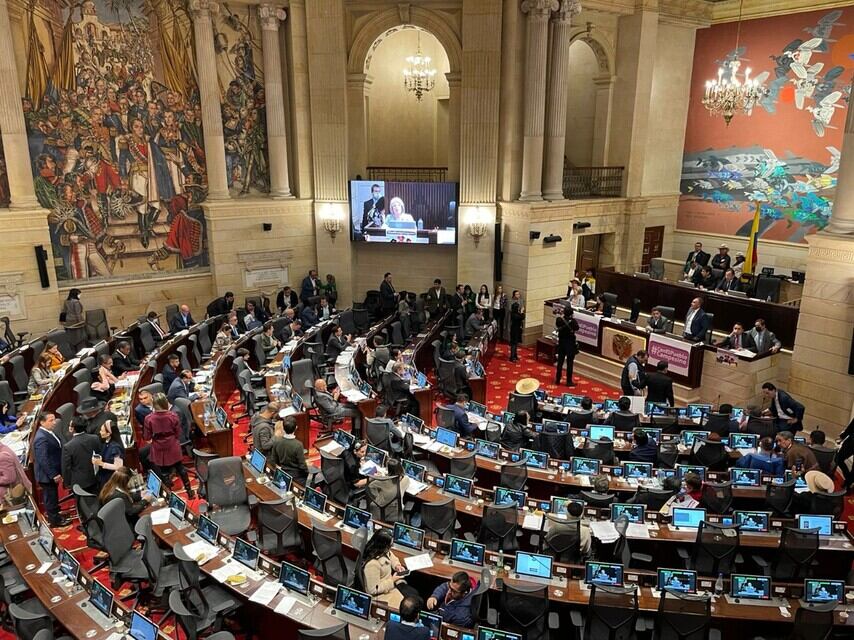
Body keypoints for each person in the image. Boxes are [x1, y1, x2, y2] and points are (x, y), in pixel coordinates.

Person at [143, 393, 195, 498]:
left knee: (164, 472)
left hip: (158, 447)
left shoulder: (149, 419)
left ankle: (169, 496)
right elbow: (178, 432)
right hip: (173, 445)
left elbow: (147, 437)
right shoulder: (173, 415)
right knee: (180, 468)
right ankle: (189, 491)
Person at [361, 529, 417, 608]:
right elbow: (373, 590)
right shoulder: (372, 565)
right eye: (390, 546)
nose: (391, 547)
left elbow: (391, 556)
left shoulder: (382, 550)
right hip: (382, 594)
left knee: (415, 596)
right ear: (383, 545)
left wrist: (397, 566)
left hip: (391, 583)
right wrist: (392, 580)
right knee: (409, 605)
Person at [33, 413, 67, 526]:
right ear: (42, 422)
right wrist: (53, 474)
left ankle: (56, 514)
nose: (54, 422)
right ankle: (55, 521)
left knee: (53, 496)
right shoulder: (41, 437)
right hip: (47, 475)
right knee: (50, 498)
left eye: (54, 419)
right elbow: (43, 459)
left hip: (53, 471)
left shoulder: (48, 432)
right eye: (51, 420)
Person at [62, 417, 103, 494]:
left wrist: (67, 483)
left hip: (79, 483)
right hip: (95, 478)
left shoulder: (68, 446)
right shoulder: (95, 438)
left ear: (72, 428)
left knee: (82, 504)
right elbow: (99, 455)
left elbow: (66, 468)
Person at [269, 416, 308, 484]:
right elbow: (302, 466)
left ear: (283, 428)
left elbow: (274, 459)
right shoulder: (298, 445)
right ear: (296, 428)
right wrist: (308, 474)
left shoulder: (277, 441)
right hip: (297, 476)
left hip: (283, 472)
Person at [94, 419, 125, 488]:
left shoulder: (115, 448)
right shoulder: (107, 442)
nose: (100, 432)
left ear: (108, 434)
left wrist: (101, 463)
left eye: (102, 431)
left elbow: (119, 467)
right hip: (105, 475)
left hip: (111, 479)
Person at [555, 307, 579, 387]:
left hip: (561, 344)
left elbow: (557, 324)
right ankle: (569, 381)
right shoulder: (573, 321)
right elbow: (577, 328)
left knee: (560, 363)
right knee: (569, 363)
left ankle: (557, 379)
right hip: (570, 344)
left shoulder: (560, 320)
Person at [60, 288, 86, 352]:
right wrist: (82, 323)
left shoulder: (66, 301)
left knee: (71, 340)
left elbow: (63, 311)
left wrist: (62, 322)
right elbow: (78, 314)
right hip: (77, 324)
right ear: (75, 294)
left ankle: (73, 353)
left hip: (68, 324)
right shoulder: (76, 302)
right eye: (79, 294)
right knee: (80, 341)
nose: (80, 295)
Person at [509, 291, 524, 362]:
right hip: (515, 329)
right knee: (514, 343)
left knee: (516, 343)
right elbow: (522, 316)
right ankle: (512, 357)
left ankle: (515, 355)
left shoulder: (515, 314)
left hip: (517, 328)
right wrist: (521, 312)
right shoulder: (515, 315)